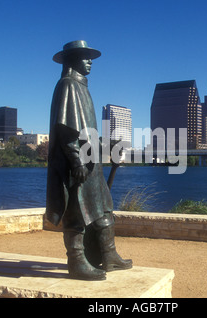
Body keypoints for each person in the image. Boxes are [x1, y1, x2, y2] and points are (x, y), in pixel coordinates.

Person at [46, 40, 132, 281]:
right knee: (76, 211)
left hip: (91, 163)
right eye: (85, 57)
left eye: (90, 57)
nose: (90, 61)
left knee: (104, 209)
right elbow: (65, 130)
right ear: (72, 60)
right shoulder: (67, 85)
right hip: (78, 165)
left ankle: (109, 255)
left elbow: (86, 131)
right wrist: (76, 161)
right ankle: (76, 262)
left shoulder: (82, 88)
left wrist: (108, 145)